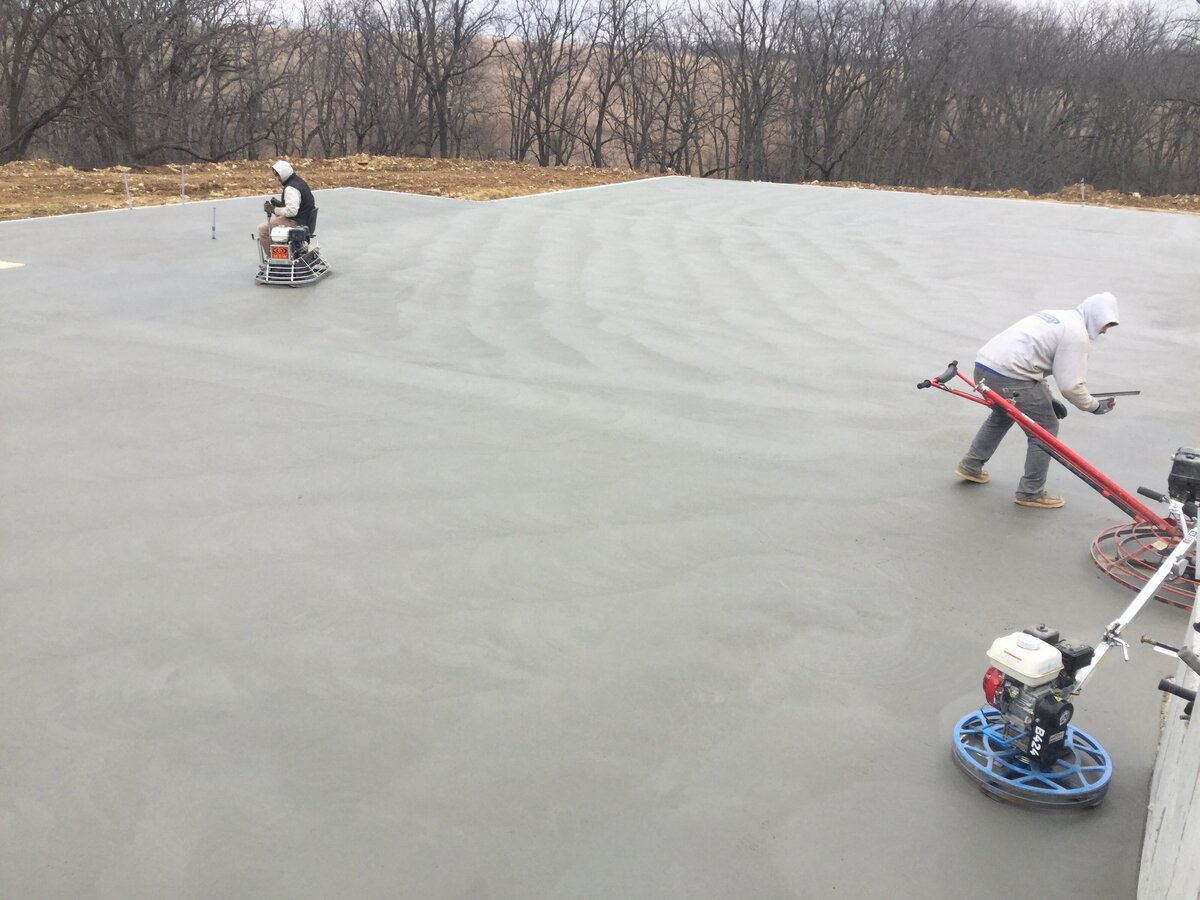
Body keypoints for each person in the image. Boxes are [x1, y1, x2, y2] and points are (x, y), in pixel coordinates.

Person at [955, 292, 1120, 509]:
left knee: (1002, 414)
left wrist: (1048, 397)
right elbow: (1071, 386)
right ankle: (1030, 492)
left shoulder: (1056, 316)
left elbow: (1031, 361)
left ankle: (970, 466)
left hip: (985, 368)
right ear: (1096, 317)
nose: (1105, 330)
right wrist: (1095, 406)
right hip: (1010, 377)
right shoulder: (1076, 335)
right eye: (1106, 324)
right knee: (1045, 428)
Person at [257, 160, 316, 256]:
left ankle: (273, 258)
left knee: (263, 229)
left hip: (296, 222)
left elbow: (292, 211)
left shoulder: (291, 189)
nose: (277, 178)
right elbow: (297, 205)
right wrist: (280, 205)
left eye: (278, 175)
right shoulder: (298, 182)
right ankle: (287, 251)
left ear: (284, 174)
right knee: (276, 221)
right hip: (304, 219)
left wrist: (273, 209)